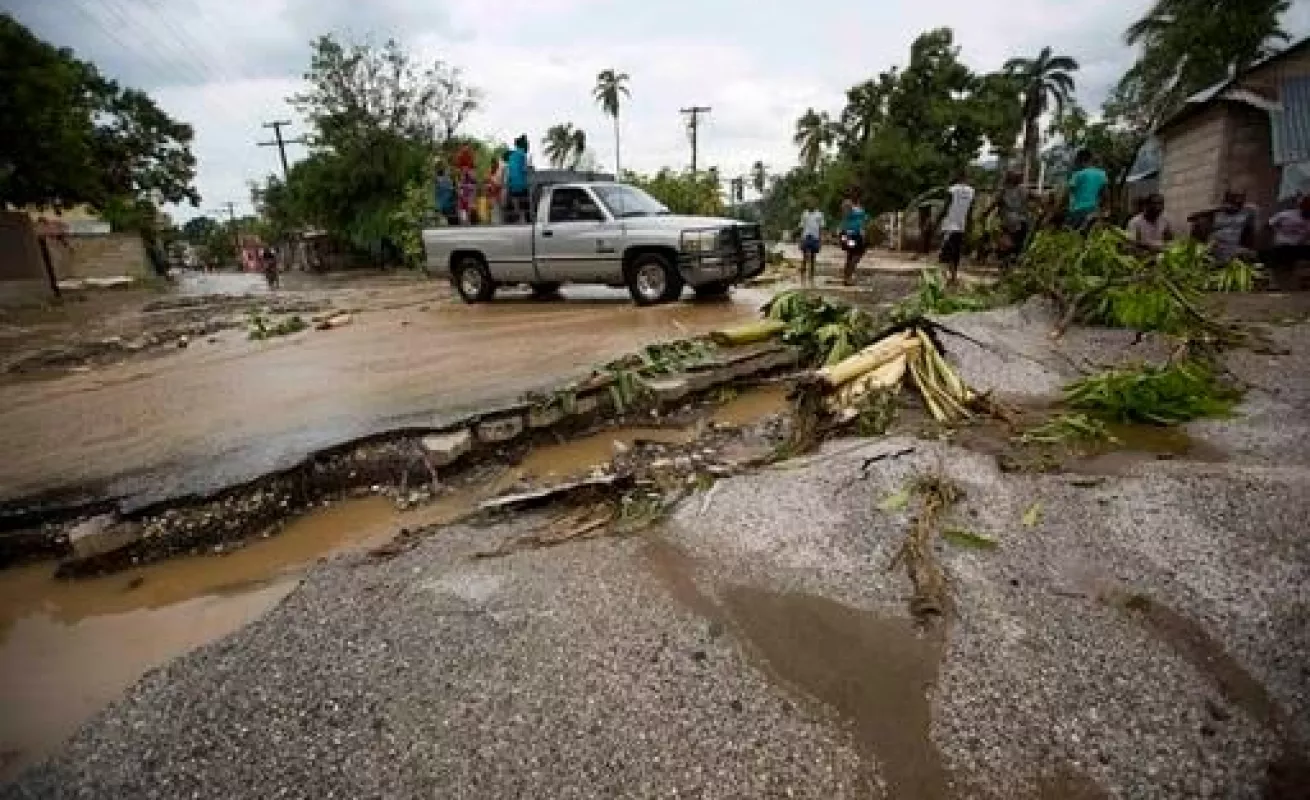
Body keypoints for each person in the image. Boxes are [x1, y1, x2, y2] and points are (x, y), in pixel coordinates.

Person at [1261, 193, 1310, 290]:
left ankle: (1302, 281)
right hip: (1282, 246)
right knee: (1281, 251)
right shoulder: (1286, 215)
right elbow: (1268, 225)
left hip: (1298, 247)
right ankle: (1274, 282)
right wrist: (1270, 239)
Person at [984, 170, 1030, 267]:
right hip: (1021, 222)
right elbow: (1035, 199)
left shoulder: (1004, 190)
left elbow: (994, 203)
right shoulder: (1024, 190)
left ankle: (1006, 264)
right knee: (1016, 246)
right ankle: (1010, 264)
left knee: (1006, 246)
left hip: (1010, 223)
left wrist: (985, 213)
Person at [937, 171, 975, 283]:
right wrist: (969, 227)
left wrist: (936, 222)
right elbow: (970, 212)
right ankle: (953, 276)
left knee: (945, 251)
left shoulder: (952, 190)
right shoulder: (971, 192)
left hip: (949, 225)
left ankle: (944, 277)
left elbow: (945, 208)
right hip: (961, 226)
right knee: (956, 252)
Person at [1209, 190, 1257, 265]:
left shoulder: (1247, 212)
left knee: (1250, 255)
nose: (1236, 203)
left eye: (1240, 201)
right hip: (1216, 244)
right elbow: (1192, 218)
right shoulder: (1217, 213)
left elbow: (1253, 210)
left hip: (1232, 246)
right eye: (1233, 199)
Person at [1066, 148, 1108, 232]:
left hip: (1077, 212)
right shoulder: (1101, 174)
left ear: (1079, 161)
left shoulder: (1077, 175)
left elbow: (1068, 193)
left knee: (1073, 237)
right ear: (1090, 159)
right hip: (1093, 211)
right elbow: (1105, 195)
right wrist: (1104, 210)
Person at [838, 197, 869, 285]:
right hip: (852, 236)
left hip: (849, 236)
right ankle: (848, 277)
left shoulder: (856, 212)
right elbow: (863, 223)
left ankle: (847, 277)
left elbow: (864, 222)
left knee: (851, 255)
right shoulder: (857, 212)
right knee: (856, 254)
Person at [506, 135, 532, 224]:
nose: (528, 146)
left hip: (512, 185)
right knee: (526, 203)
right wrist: (530, 169)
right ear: (523, 145)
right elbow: (524, 169)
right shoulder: (522, 155)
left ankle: (519, 218)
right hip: (521, 184)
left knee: (516, 202)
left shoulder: (511, 156)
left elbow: (510, 171)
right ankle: (525, 219)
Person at [798, 199, 825, 286]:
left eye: (813, 203)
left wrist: (821, 240)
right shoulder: (804, 213)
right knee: (805, 257)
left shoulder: (819, 214)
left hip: (815, 237)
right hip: (806, 236)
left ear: (816, 204)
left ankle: (811, 276)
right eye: (809, 203)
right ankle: (802, 276)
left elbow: (821, 227)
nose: (811, 204)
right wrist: (800, 239)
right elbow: (802, 226)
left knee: (813, 258)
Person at [487, 151, 506, 225]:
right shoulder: (492, 171)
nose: (494, 164)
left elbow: (497, 181)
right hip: (494, 191)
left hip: (497, 190)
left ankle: (498, 221)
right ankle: (496, 222)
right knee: (495, 207)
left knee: (498, 207)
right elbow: (489, 181)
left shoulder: (497, 171)